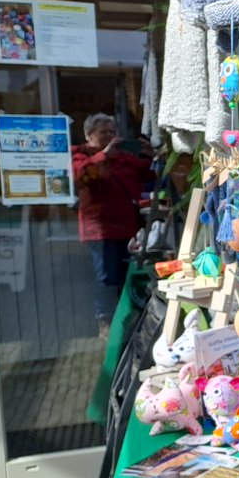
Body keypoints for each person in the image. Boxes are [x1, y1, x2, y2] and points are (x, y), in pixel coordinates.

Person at [72, 113, 156, 338]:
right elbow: (82, 177)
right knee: (107, 278)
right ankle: (105, 322)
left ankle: (127, 320)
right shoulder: (80, 156)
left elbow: (148, 173)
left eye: (112, 132)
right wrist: (104, 155)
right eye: (103, 132)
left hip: (127, 227)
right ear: (89, 135)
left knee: (127, 274)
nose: (109, 136)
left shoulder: (122, 158)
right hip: (100, 230)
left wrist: (150, 155)